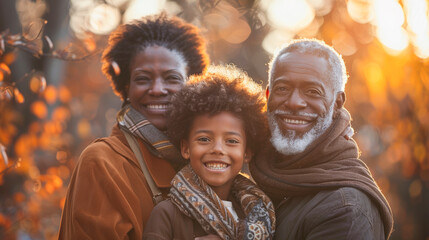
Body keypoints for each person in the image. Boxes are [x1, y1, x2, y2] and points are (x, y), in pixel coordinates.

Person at [58, 13, 209, 240]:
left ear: (192, 85)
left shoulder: (207, 162)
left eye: (172, 78)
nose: (157, 89)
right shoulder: (103, 162)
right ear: (125, 87)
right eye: (143, 79)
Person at [249, 39, 394, 239]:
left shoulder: (344, 208)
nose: (294, 102)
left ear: (337, 103)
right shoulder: (247, 181)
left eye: (312, 92)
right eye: (282, 88)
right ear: (268, 95)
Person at [142, 65, 276, 239]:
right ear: (186, 148)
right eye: (204, 139)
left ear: (246, 153)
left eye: (231, 141)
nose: (218, 149)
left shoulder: (258, 212)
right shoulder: (167, 214)